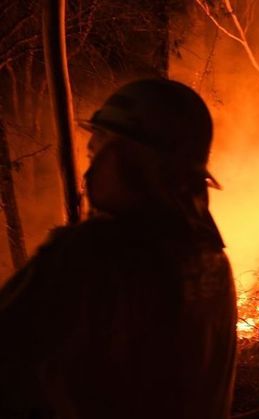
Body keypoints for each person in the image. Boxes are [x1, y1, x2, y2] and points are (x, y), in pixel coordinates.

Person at [0, 79, 237, 419]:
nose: (90, 163)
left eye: (98, 148)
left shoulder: (90, 256)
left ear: (124, 157)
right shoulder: (213, 261)